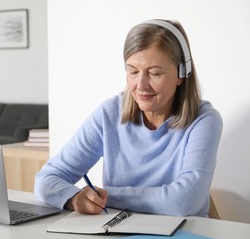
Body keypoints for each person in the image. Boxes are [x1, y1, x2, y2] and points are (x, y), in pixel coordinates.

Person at [34, 19, 223, 217]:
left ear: (182, 74)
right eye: (133, 71)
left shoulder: (204, 120)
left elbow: (185, 201)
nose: (140, 84)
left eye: (155, 73)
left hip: (186, 238)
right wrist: (74, 199)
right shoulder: (110, 113)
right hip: (119, 234)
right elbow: (46, 179)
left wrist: (106, 196)